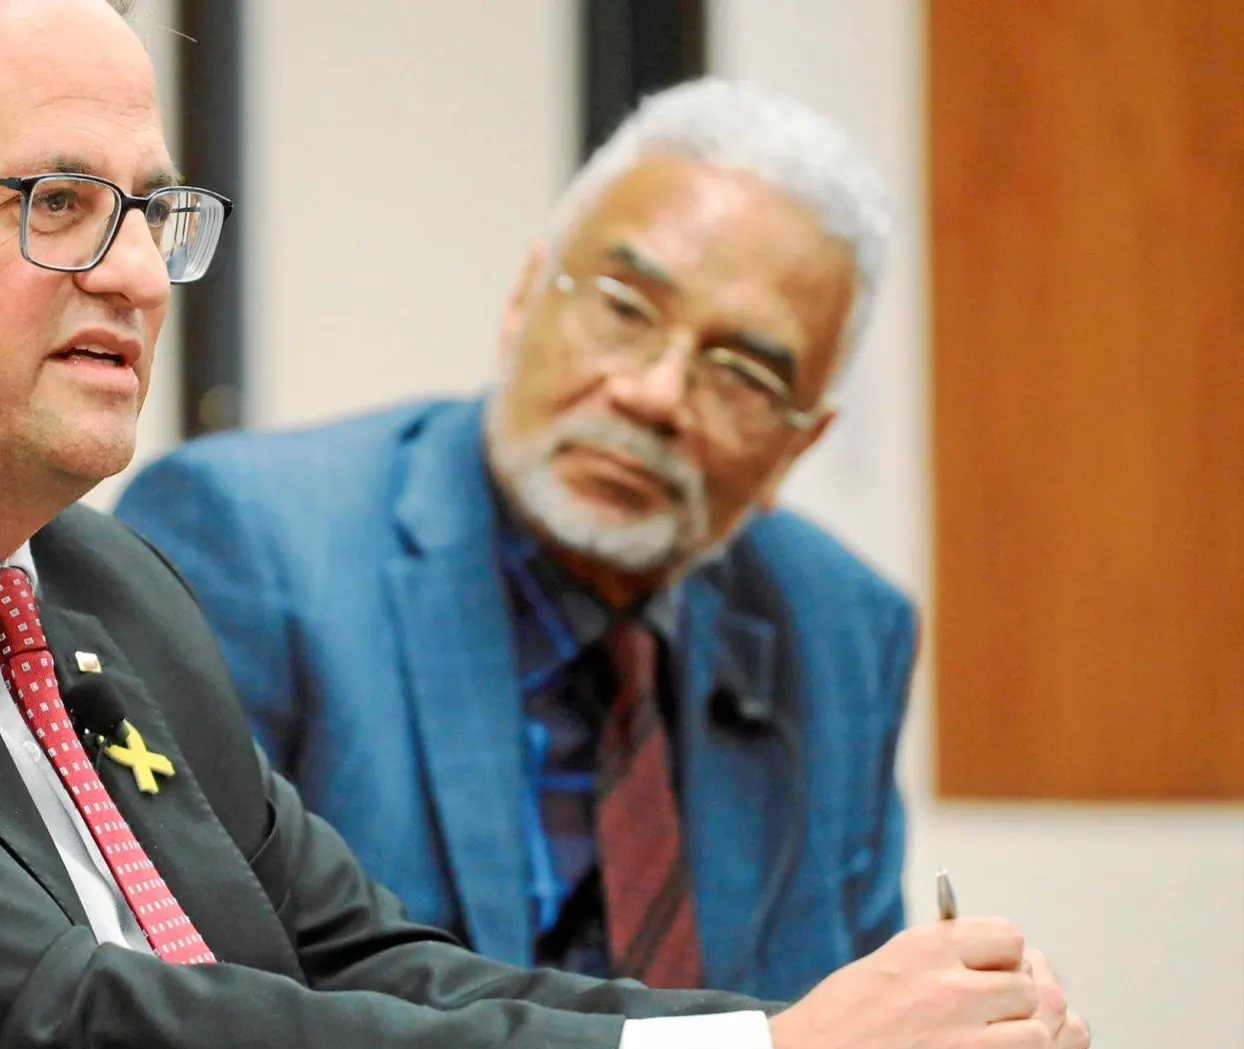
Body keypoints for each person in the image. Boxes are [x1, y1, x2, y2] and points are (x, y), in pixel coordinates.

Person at [0, 3, 1087, 1049]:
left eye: (149, 210)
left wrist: (788, 1038)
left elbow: (356, 957)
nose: (132, 269)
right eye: (54, 203)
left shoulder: (86, 578)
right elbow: (55, 1028)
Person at [115, 77, 913, 1001]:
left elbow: (859, 1022)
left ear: (797, 443)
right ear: (526, 296)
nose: (654, 394)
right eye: (624, 306)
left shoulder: (844, 630)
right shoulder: (251, 542)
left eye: (740, 371)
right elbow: (202, 1008)